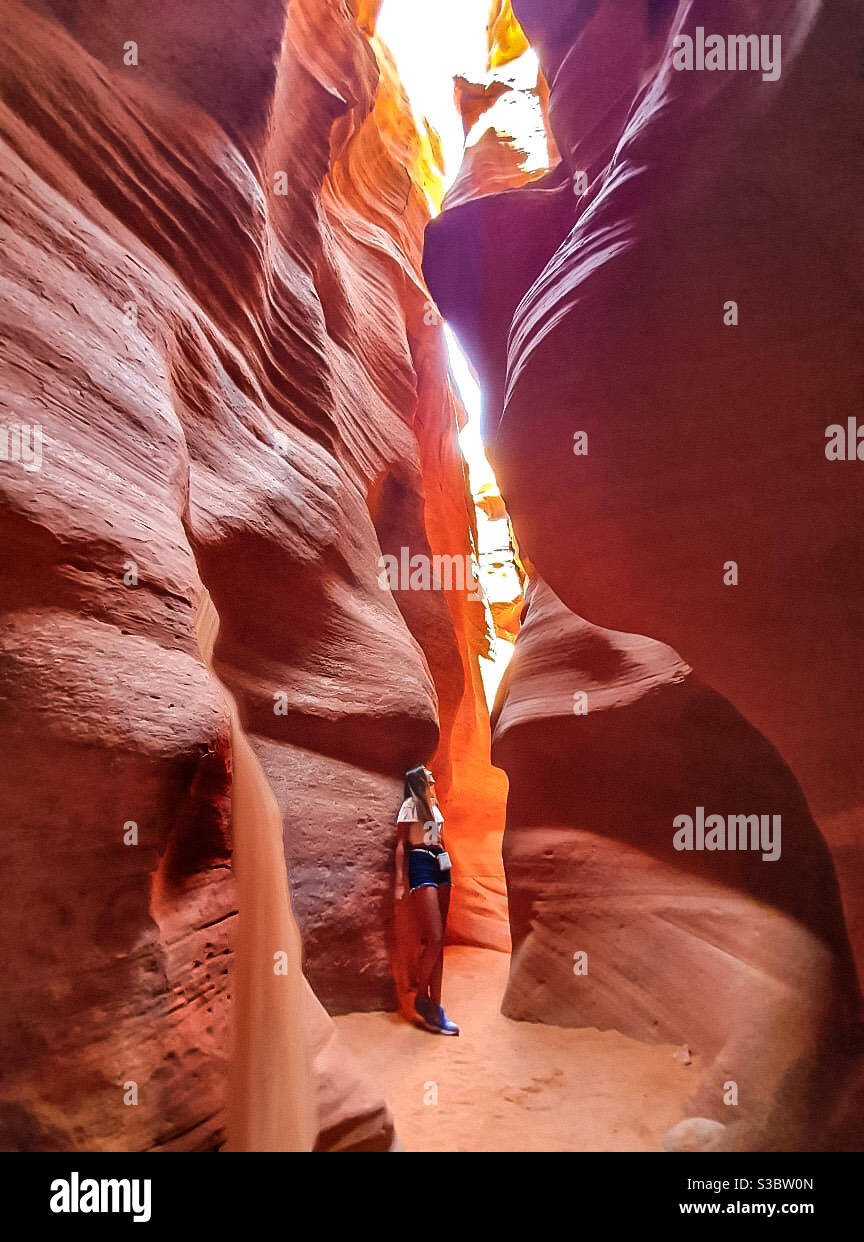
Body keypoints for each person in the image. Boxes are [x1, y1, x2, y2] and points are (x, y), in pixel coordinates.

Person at [395, 765, 460, 1036]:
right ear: (418, 779)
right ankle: (421, 998)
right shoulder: (411, 804)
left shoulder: (433, 805)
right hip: (420, 861)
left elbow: (440, 839)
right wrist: (400, 880)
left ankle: (436, 1004)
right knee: (433, 936)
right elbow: (402, 844)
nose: (432, 773)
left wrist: (447, 863)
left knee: (440, 939)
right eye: (426, 772)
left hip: (440, 863)